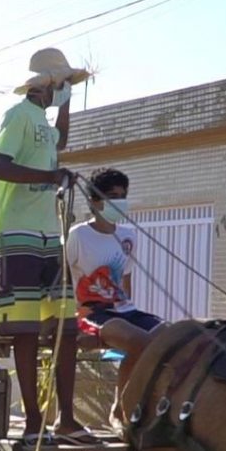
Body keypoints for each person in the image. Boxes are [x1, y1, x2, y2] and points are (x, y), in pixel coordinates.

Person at [0, 47, 95, 446]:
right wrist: (50, 177)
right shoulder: (18, 115)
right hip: (17, 234)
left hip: (50, 235)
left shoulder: (45, 125)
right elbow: (0, 167)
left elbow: (60, 139)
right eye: (62, 85)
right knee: (26, 332)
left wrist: (65, 103)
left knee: (66, 328)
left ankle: (66, 418)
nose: (65, 90)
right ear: (43, 86)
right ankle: (34, 421)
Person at [65, 168, 163, 429]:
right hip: (91, 311)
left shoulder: (128, 235)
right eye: (112, 196)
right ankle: (119, 409)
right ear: (95, 201)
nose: (119, 201)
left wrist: (128, 310)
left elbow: (125, 279)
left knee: (169, 336)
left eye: (123, 195)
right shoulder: (78, 235)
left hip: (124, 309)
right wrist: (70, 322)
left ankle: (151, 408)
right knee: (138, 341)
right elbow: (62, 277)